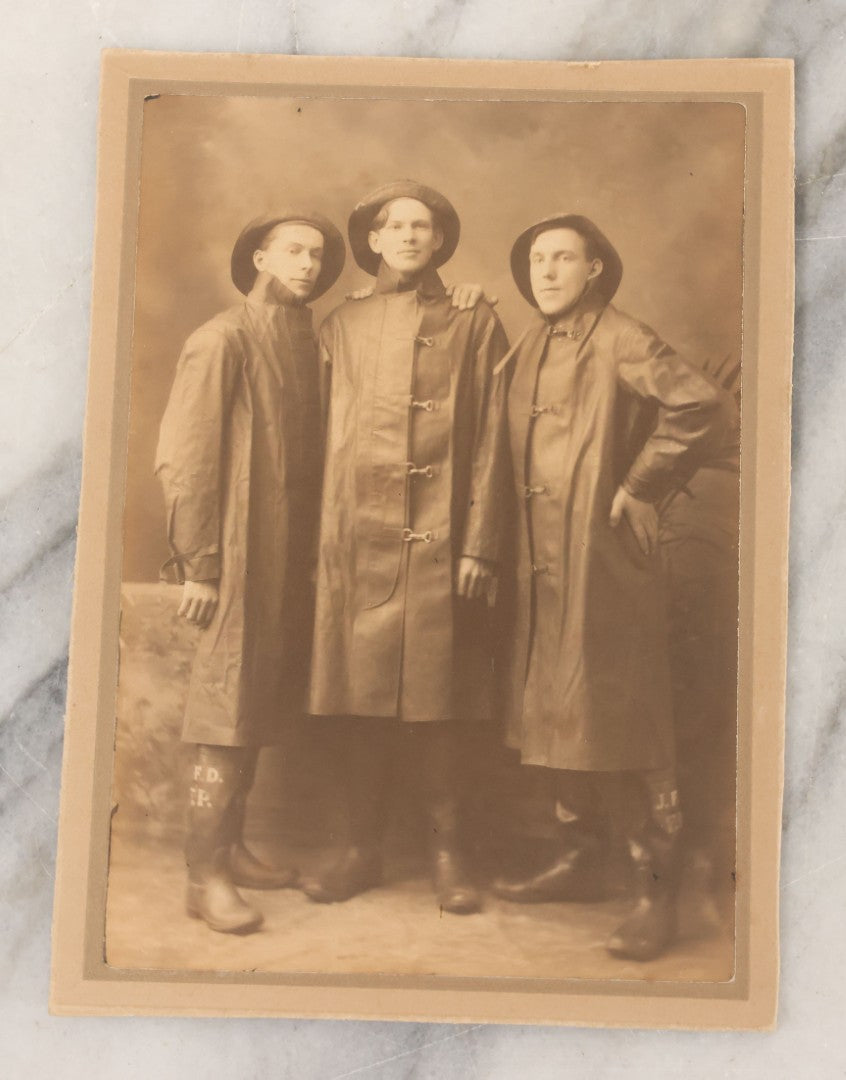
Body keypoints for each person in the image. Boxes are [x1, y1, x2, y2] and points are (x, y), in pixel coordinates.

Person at [490, 214, 734, 960]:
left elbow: (699, 403)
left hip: (604, 563)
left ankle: (653, 888)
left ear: (596, 268)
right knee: (557, 714)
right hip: (538, 566)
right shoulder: (530, 343)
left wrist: (639, 484)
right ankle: (578, 857)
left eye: (565, 258)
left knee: (628, 719)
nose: (549, 271)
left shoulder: (623, 335)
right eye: (538, 259)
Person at [302, 180, 510, 914]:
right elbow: (315, 434)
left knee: (440, 701)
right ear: (375, 240)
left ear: (441, 239)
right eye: (397, 226)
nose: (411, 237)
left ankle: (448, 855)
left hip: (444, 543)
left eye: (424, 226)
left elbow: (495, 437)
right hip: (354, 545)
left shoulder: (474, 317)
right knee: (358, 700)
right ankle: (358, 848)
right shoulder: (342, 325)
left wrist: (480, 542)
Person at [155, 210, 345, 934]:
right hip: (232, 558)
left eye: (318, 255)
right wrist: (200, 566)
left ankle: (230, 848)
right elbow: (187, 459)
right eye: (293, 251)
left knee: (255, 700)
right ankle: (202, 876)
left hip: (286, 556)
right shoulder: (221, 338)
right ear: (261, 256)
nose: (307, 265)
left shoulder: (304, 341)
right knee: (223, 709)